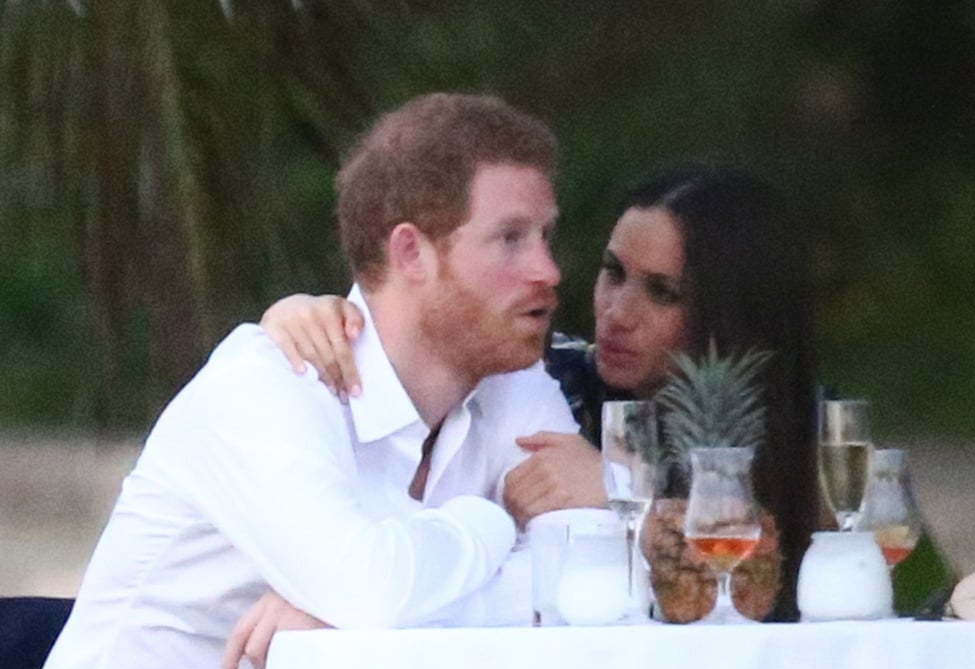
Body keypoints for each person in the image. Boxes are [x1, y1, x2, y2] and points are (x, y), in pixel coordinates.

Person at [29, 92, 578, 669]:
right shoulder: (272, 380)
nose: (548, 270)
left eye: (547, 235)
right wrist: (495, 523)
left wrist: (366, 611)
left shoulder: (514, 384)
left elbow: (583, 583)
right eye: (510, 239)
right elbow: (370, 586)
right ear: (411, 251)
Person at [257, 164, 819, 623]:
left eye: (662, 292)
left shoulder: (793, 430)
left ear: (729, 312)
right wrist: (306, 317)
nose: (618, 312)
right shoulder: (546, 376)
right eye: (613, 272)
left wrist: (615, 488)